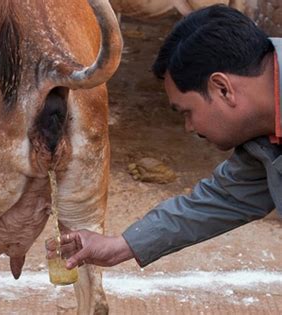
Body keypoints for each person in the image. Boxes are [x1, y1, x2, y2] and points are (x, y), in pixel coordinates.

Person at [49, 4, 282, 269]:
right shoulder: (263, 137)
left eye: (187, 112)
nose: (189, 127)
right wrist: (121, 246)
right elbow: (225, 198)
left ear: (223, 89)